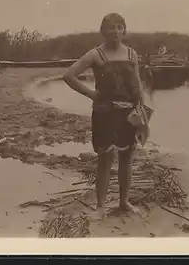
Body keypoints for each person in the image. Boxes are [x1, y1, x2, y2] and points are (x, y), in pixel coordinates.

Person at [63, 13, 149, 220]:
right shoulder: (95, 55)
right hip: (105, 113)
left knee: (127, 158)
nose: (116, 31)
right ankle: (100, 206)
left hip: (129, 112)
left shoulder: (131, 54)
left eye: (120, 27)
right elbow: (68, 76)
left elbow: (137, 84)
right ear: (103, 31)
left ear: (125, 31)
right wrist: (92, 94)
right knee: (105, 159)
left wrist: (142, 111)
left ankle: (123, 201)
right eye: (111, 27)